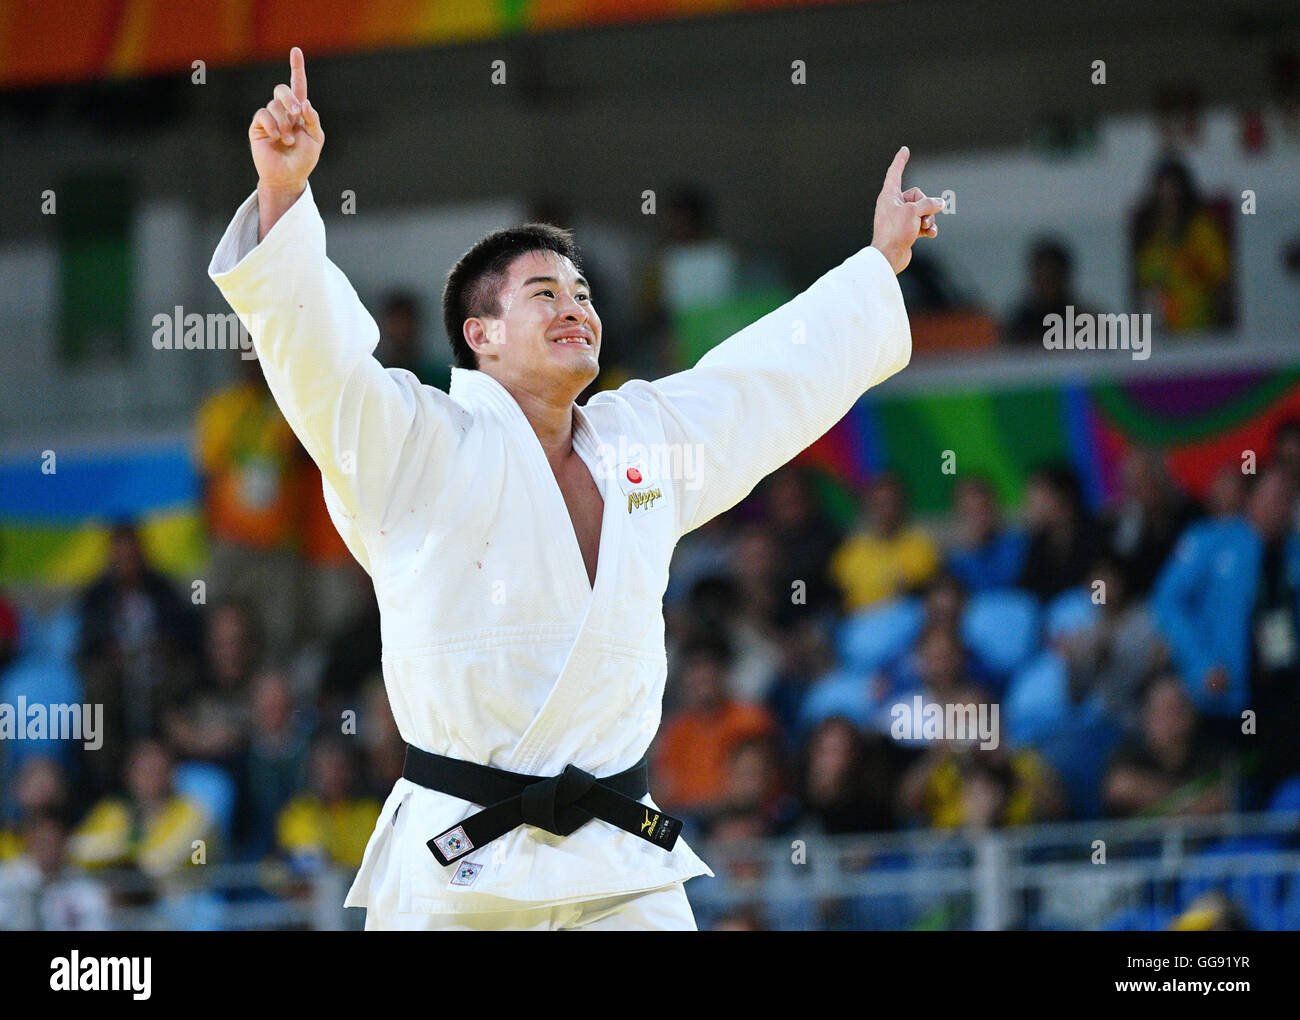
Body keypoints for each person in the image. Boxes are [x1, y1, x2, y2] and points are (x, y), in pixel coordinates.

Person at [208, 48, 939, 931]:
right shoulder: (415, 444)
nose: (576, 308)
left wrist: (877, 266)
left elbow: (760, 384)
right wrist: (285, 197)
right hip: (460, 866)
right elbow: (318, 363)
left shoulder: (641, 440)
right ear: (478, 334)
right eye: (544, 292)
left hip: (619, 865)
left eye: (585, 293)